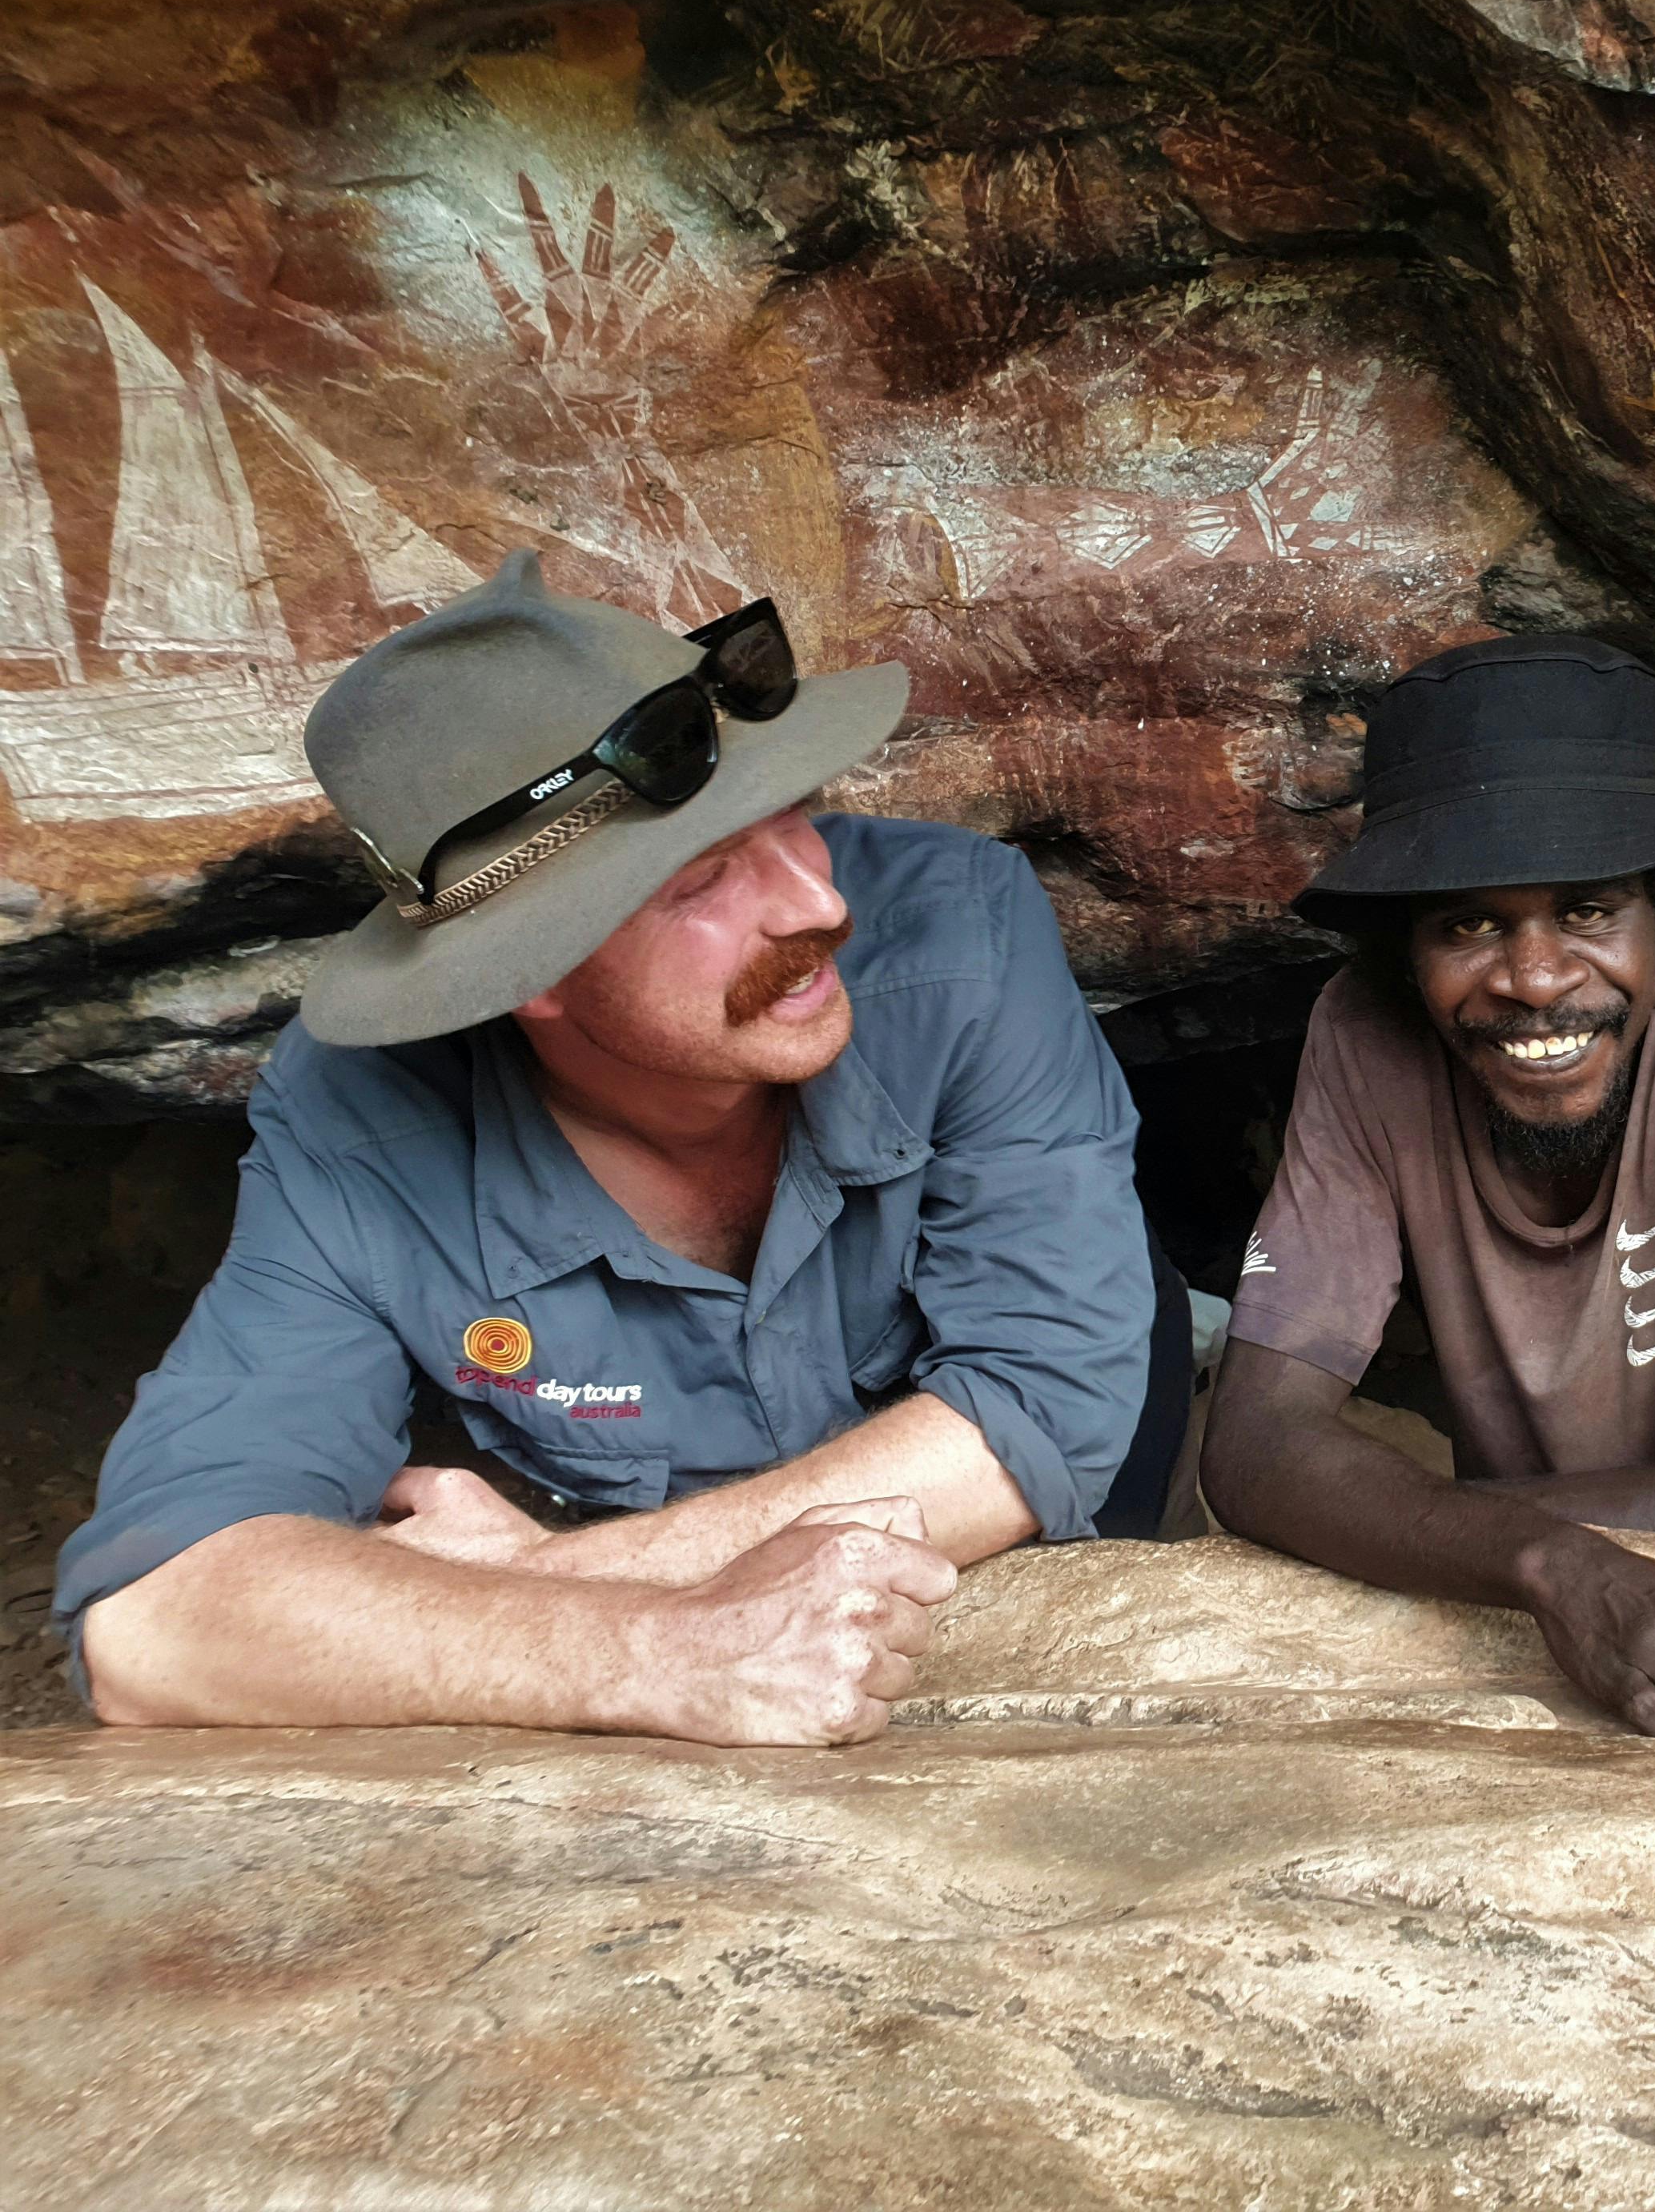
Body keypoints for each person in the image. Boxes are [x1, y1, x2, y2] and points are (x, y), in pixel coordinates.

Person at [57, 552, 1188, 1746]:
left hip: (1034, 1513)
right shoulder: (363, 1122)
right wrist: (657, 1651)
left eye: (792, 815)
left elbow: (1045, 1406)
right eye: (702, 881)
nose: (817, 905)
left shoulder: (957, 931)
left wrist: (544, 1584)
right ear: (523, 977)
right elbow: (148, 1623)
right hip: (710, 1576)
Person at [1201, 636, 1655, 1744]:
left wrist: (1380, 1512)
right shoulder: (1364, 1034)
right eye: (1469, 923)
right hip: (1527, 1594)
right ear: (1403, 945)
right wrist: (1553, 1566)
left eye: (1587, 910)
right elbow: (1253, 1446)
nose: (1535, 981)